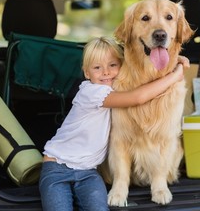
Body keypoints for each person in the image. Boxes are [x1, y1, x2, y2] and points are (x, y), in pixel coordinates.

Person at [39, 36, 189, 211]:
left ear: (122, 66)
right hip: (57, 168)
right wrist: (175, 76)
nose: (106, 72)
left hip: (88, 172)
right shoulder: (90, 92)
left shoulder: (115, 87)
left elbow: (138, 61)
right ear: (87, 73)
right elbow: (138, 97)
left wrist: (170, 59)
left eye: (112, 65)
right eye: (97, 67)